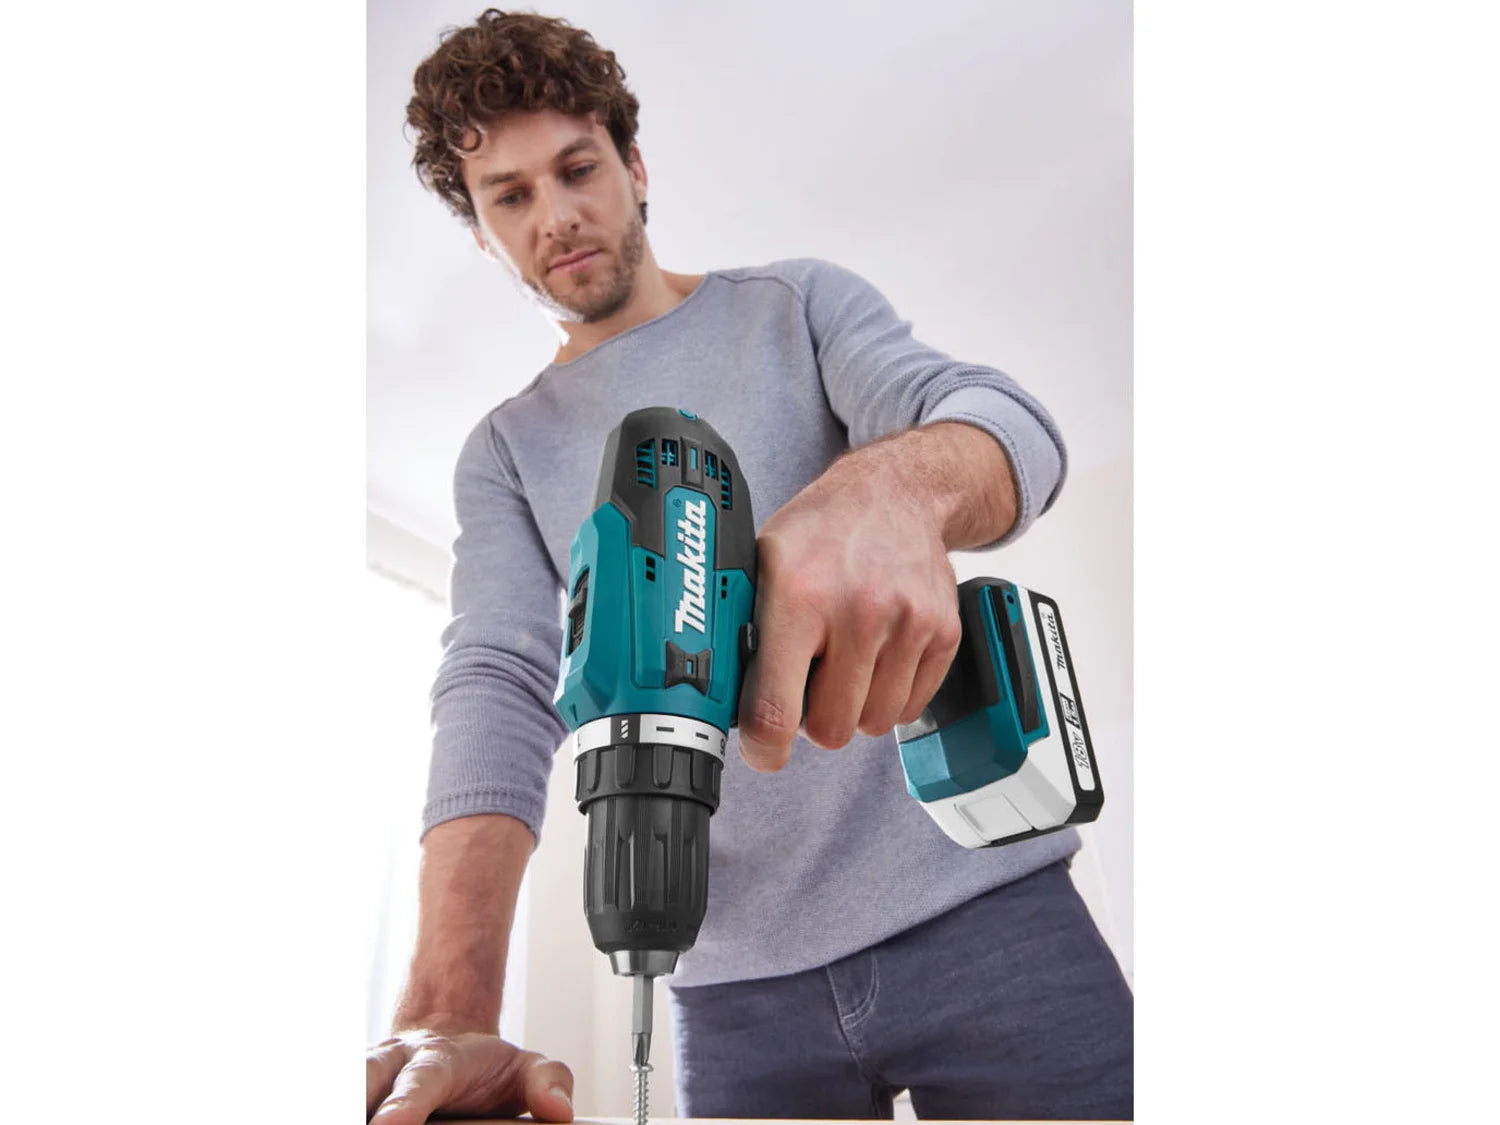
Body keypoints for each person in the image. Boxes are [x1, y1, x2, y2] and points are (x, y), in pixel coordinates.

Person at [366, 9, 1132, 1123]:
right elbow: (496, 685)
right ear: (482, 234)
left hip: (985, 910)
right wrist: (449, 1004)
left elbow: (1000, 423)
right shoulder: (506, 451)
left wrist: (896, 487)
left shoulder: (796, 305)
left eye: (577, 169)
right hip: (731, 988)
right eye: (510, 196)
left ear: (634, 167)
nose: (556, 216)